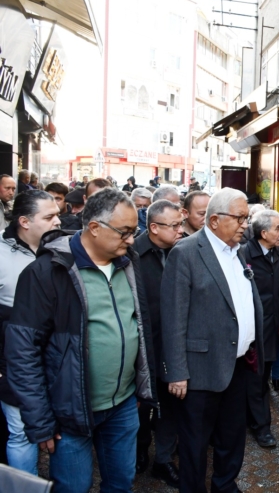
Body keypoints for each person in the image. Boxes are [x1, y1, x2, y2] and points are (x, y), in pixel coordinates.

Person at [5, 188, 158, 493]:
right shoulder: (47, 272)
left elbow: (139, 326)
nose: (131, 240)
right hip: (68, 413)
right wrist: (40, 421)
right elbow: (22, 353)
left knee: (120, 483)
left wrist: (143, 384)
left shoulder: (128, 262)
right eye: (124, 232)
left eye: (134, 231)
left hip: (123, 404)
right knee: (74, 487)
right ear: (94, 228)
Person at [160, 188, 263, 493]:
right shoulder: (186, 252)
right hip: (201, 369)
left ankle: (225, 485)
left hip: (239, 365)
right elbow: (173, 317)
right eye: (240, 217)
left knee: (232, 437)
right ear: (215, 220)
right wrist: (177, 371)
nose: (245, 224)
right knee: (194, 443)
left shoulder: (239, 251)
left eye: (247, 217)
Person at [0, 191, 60, 475]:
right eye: (49, 217)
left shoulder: (65, 248)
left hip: (59, 358)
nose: (58, 221)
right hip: (13, 361)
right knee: (21, 432)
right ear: (24, 221)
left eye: (57, 214)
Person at [134, 200, 183, 487]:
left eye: (181, 223)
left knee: (172, 407)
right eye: (174, 225)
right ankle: (140, 451)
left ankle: (162, 460)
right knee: (140, 409)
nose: (180, 230)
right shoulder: (132, 255)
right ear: (153, 227)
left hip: (174, 346)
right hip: (142, 348)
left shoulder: (184, 251)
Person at [243, 210, 279, 447]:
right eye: (278, 228)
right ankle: (261, 427)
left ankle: (254, 419)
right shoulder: (244, 254)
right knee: (255, 380)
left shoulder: (278, 254)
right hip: (252, 331)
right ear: (263, 232)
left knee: (263, 376)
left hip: (272, 328)